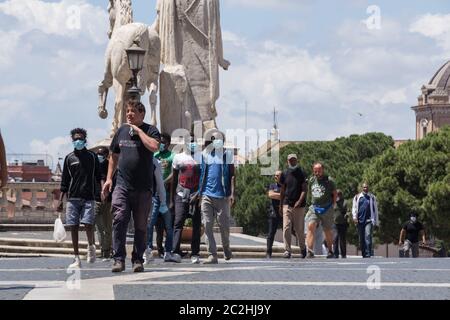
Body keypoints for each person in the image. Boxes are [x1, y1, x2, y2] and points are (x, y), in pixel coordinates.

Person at [102, 100, 160, 273]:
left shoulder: (150, 130)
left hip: (143, 187)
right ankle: (118, 259)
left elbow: (154, 146)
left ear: (142, 114)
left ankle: (137, 259)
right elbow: (113, 155)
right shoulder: (121, 131)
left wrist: (139, 131)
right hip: (122, 185)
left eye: (133, 111)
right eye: (127, 111)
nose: (129, 114)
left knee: (141, 226)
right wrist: (108, 178)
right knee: (119, 219)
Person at [58, 128, 100, 269]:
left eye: (80, 138)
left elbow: (98, 177)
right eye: (75, 139)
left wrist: (101, 193)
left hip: (89, 196)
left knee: (88, 224)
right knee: (73, 226)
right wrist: (60, 200)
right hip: (73, 198)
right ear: (72, 140)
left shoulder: (92, 157)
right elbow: (65, 180)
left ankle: (91, 246)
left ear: (85, 139)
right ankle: (76, 257)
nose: (78, 141)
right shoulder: (69, 158)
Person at [198, 130, 235, 264]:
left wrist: (232, 194)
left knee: (224, 227)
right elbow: (201, 174)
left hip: (223, 196)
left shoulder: (227, 155)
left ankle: (226, 247)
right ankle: (212, 254)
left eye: (219, 139)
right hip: (207, 195)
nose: (216, 141)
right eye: (214, 139)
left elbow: (232, 175)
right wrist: (199, 193)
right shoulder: (205, 154)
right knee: (207, 224)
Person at [171, 134, 202, 264]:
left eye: (194, 142)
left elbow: (202, 177)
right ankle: (175, 251)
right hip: (180, 194)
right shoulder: (178, 157)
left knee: (196, 224)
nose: (192, 144)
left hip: (196, 195)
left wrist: (199, 194)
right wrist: (172, 199)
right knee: (178, 222)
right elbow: (174, 178)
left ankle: (195, 253)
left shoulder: (200, 157)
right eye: (190, 141)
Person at [144, 157, 178, 264]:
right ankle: (148, 251)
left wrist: (164, 201)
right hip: (150, 197)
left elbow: (160, 183)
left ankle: (168, 252)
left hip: (161, 197)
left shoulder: (155, 161)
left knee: (168, 226)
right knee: (149, 225)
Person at [305, 162, 337, 259]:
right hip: (314, 207)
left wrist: (333, 205)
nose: (317, 172)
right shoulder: (311, 180)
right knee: (311, 226)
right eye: (315, 171)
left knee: (327, 230)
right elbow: (310, 193)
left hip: (326, 208)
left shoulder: (329, 181)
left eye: (319, 170)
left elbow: (334, 193)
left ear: (323, 170)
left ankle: (330, 251)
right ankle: (310, 251)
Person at [279, 155, 307, 259]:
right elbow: (282, 189)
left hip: (299, 206)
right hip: (287, 203)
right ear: (287, 161)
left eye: (294, 160)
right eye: (290, 160)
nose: (292, 161)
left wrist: (299, 201)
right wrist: (281, 205)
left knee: (299, 229)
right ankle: (287, 250)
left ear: (297, 160)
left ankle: (303, 248)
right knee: (286, 227)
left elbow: (304, 189)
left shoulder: (302, 173)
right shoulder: (284, 173)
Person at [153, 133, 175, 258]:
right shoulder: (154, 155)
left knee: (168, 224)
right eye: (160, 142)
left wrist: (163, 182)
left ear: (168, 143)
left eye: (164, 142)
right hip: (155, 194)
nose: (162, 144)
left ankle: (168, 249)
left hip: (166, 194)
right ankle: (159, 248)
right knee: (157, 224)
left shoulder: (172, 156)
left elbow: (174, 174)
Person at [94, 147, 113, 261]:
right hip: (96, 199)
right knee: (99, 227)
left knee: (108, 227)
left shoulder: (110, 165)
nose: (99, 156)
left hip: (108, 200)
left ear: (107, 155)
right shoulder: (94, 165)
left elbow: (104, 179)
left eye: (101, 154)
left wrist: (104, 192)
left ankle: (107, 250)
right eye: (98, 154)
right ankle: (103, 249)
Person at [352, 183, 379, 258]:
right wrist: (354, 217)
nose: (365, 189)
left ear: (368, 188)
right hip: (360, 221)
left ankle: (368, 254)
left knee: (368, 236)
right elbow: (354, 208)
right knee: (361, 239)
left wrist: (376, 221)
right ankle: (364, 254)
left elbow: (375, 210)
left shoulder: (372, 197)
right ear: (362, 188)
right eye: (364, 187)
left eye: (366, 187)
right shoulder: (357, 197)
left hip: (369, 220)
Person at [266, 171, 283, 259]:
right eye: (275, 175)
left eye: (278, 175)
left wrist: (278, 195)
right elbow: (271, 194)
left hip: (284, 212)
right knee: (271, 233)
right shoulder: (272, 185)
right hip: (274, 213)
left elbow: (289, 196)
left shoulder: (285, 186)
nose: (276, 177)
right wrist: (282, 195)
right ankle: (268, 252)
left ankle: (289, 251)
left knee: (290, 231)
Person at [332, 190, 349, 258]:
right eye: (337, 194)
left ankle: (343, 254)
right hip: (335, 223)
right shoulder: (333, 202)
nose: (338, 196)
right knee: (335, 238)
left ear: (341, 195)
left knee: (342, 239)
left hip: (343, 223)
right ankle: (336, 254)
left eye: (339, 194)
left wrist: (347, 215)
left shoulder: (345, 202)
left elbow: (348, 211)